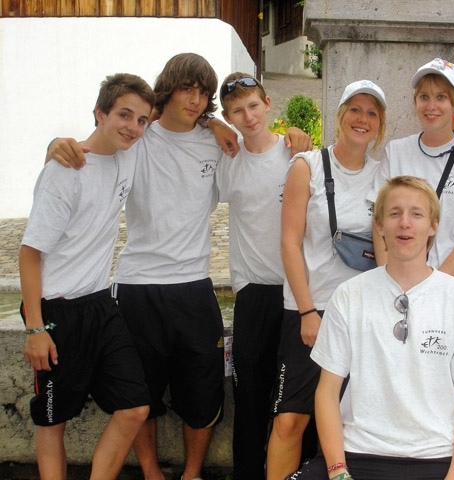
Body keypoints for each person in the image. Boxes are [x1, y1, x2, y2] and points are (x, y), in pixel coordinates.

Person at [46, 54, 313, 480]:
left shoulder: (218, 143)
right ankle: (151, 471)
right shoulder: (139, 138)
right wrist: (57, 145)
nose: (195, 99)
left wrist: (234, 126)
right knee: (140, 394)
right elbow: (99, 143)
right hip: (137, 284)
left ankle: (191, 473)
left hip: (194, 284)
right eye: (187, 89)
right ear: (167, 89)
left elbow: (257, 148)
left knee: (205, 392)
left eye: (203, 93)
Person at [287, 176, 454, 480]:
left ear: (433, 226)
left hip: (441, 454)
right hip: (359, 453)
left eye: (416, 214)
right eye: (394, 213)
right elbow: (327, 392)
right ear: (379, 226)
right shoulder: (349, 295)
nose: (405, 223)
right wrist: (338, 471)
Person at [19, 73, 154, 480]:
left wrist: (217, 125)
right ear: (100, 113)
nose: (133, 127)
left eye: (141, 120)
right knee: (53, 420)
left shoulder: (130, 152)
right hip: (56, 309)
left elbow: (182, 108)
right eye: (124, 115)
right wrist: (35, 329)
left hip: (100, 302)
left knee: (135, 407)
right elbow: (29, 253)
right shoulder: (65, 170)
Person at [266, 80, 387, 480]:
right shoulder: (308, 166)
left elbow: (386, 245)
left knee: (348, 424)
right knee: (290, 421)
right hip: (310, 309)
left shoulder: (382, 175)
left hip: (358, 313)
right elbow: (289, 243)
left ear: (380, 124)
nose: (362, 119)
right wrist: (306, 312)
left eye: (372, 113)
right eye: (355, 109)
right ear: (339, 115)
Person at [214, 72, 308, 479]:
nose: (248, 116)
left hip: (297, 293)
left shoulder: (297, 154)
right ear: (228, 116)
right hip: (253, 292)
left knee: (296, 401)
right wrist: (210, 123)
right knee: (250, 397)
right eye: (237, 111)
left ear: (268, 104)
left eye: (253, 105)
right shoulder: (228, 160)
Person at [369, 58, 454, 294]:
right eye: (424, 97)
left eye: (441, 97)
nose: (431, 106)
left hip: (452, 289)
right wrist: (391, 283)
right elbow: (380, 225)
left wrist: (428, 287)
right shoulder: (395, 152)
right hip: (398, 289)